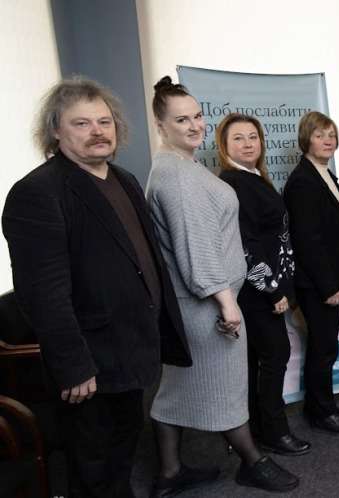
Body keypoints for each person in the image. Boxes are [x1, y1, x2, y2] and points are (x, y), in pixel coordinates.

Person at [2, 78, 191, 498]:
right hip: (90, 363)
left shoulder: (123, 179)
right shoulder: (37, 193)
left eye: (104, 121)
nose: (97, 131)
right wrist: (74, 365)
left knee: (122, 452)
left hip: (132, 347)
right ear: (56, 130)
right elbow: (43, 294)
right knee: (92, 466)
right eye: (82, 123)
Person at [146, 77, 298, 494]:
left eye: (197, 116)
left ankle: (170, 472)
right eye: (182, 119)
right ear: (160, 124)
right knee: (227, 390)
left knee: (174, 392)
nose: (195, 125)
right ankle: (253, 461)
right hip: (208, 305)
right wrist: (227, 303)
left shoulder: (181, 165)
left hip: (202, 301)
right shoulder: (177, 176)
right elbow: (197, 246)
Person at [216, 113, 309, 456]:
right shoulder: (234, 183)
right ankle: (274, 431)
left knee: (259, 358)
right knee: (274, 355)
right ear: (224, 146)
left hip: (266, 287)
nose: (247, 144)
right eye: (238, 138)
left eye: (253, 137)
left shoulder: (254, 178)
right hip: (257, 291)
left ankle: (256, 428)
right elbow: (246, 245)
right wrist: (272, 289)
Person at [282, 111, 339, 436]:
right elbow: (307, 241)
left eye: (331, 135)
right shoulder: (302, 181)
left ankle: (321, 405)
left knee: (325, 346)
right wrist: (328, 286)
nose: (328, 140)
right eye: (319, 135)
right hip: (317, 283)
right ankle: (322, 412)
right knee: (323, 347)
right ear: (306, 140)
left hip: (329, 278)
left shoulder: (325, 173)